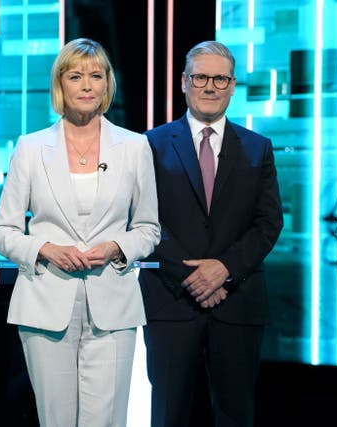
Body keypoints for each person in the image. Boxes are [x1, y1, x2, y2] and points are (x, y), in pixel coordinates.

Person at [0, 38, 161, 427]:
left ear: (106, 85)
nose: (86, 85)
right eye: (75, 76)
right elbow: (3, 231)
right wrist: (46, 248)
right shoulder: (31, 148)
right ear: (60, 85)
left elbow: (150, 229)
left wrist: (117, 246)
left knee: (107, 420)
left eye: (95, 76)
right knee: (56, 420)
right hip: (46, 302)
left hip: (112, 305)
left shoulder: (135, 147)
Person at [138, 40, 284, 427]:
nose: (210, 86)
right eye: (201, 77)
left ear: (233, 86)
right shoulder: (149, 145)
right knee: (167, 415)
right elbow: (142, 218)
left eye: (220, 78)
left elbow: (269, 222)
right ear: (184, 82)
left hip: (238, 303)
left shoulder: (257, 148)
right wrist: (192, 275)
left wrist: (224, 269)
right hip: (170, 302)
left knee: (236, 416)